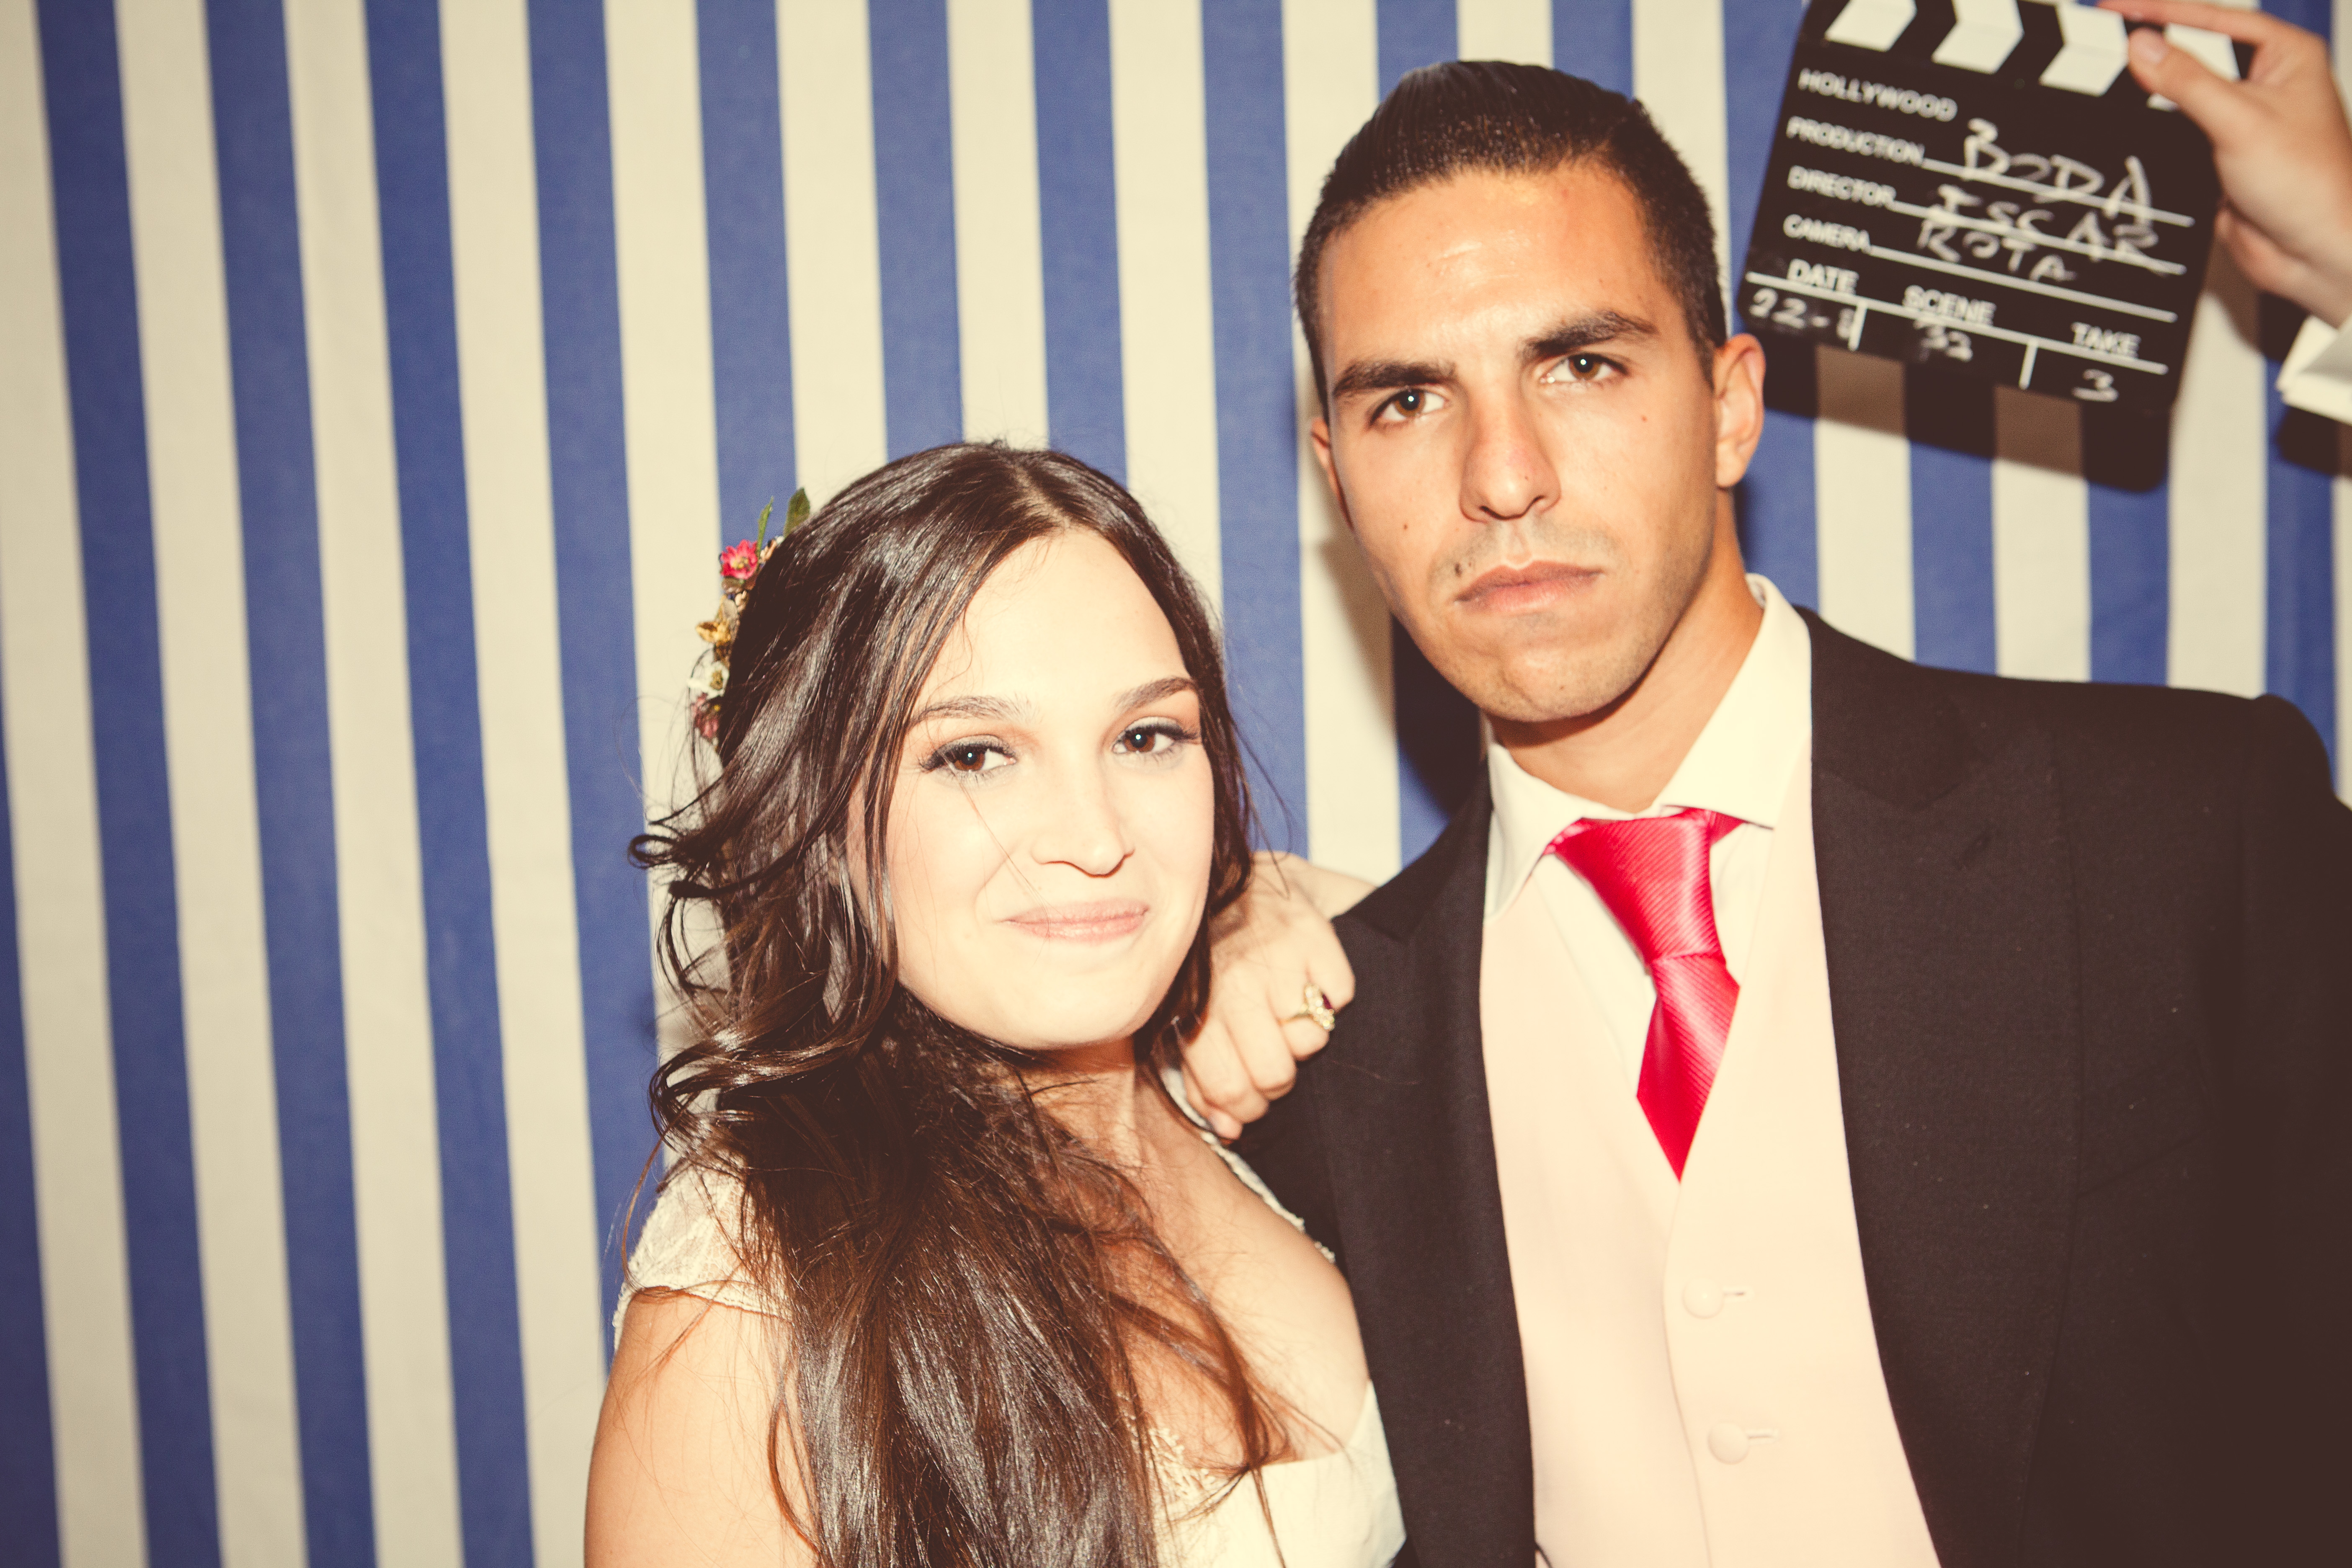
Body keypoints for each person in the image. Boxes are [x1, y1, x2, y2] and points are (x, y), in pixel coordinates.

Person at [1181, 37, 2352, 1568]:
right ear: (1337, 475)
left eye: (1582, 365)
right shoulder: (1322, 1062)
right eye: (1409, 399)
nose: (1504, 475)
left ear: (1731, 407)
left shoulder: (2182, 833)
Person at [584, 444, 1406, 1568]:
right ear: (820, 813)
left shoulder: (1250, 1086)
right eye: (975, 755)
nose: (1096, 836)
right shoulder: (759, 1289)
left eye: (1146, 738)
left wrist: (1269, 896)